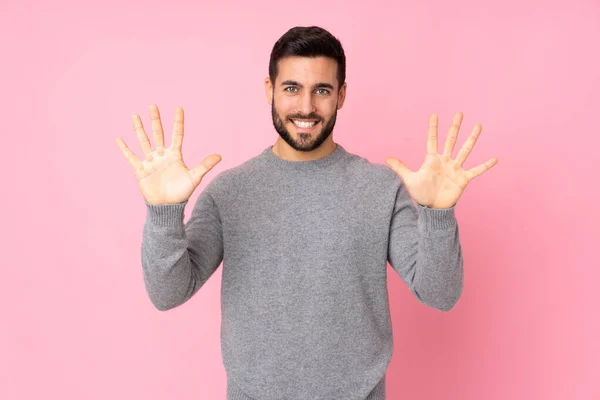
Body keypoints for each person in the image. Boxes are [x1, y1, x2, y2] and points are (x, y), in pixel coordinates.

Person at [115, 26, 498, 400]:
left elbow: (440, 294)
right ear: (270, 90)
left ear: (341, 95)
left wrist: (438, 214)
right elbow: (167, 293)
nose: (306, 107)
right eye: (292, 88)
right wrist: (164, 212)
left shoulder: (380, 188)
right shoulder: (229, 192)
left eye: (322, 91)